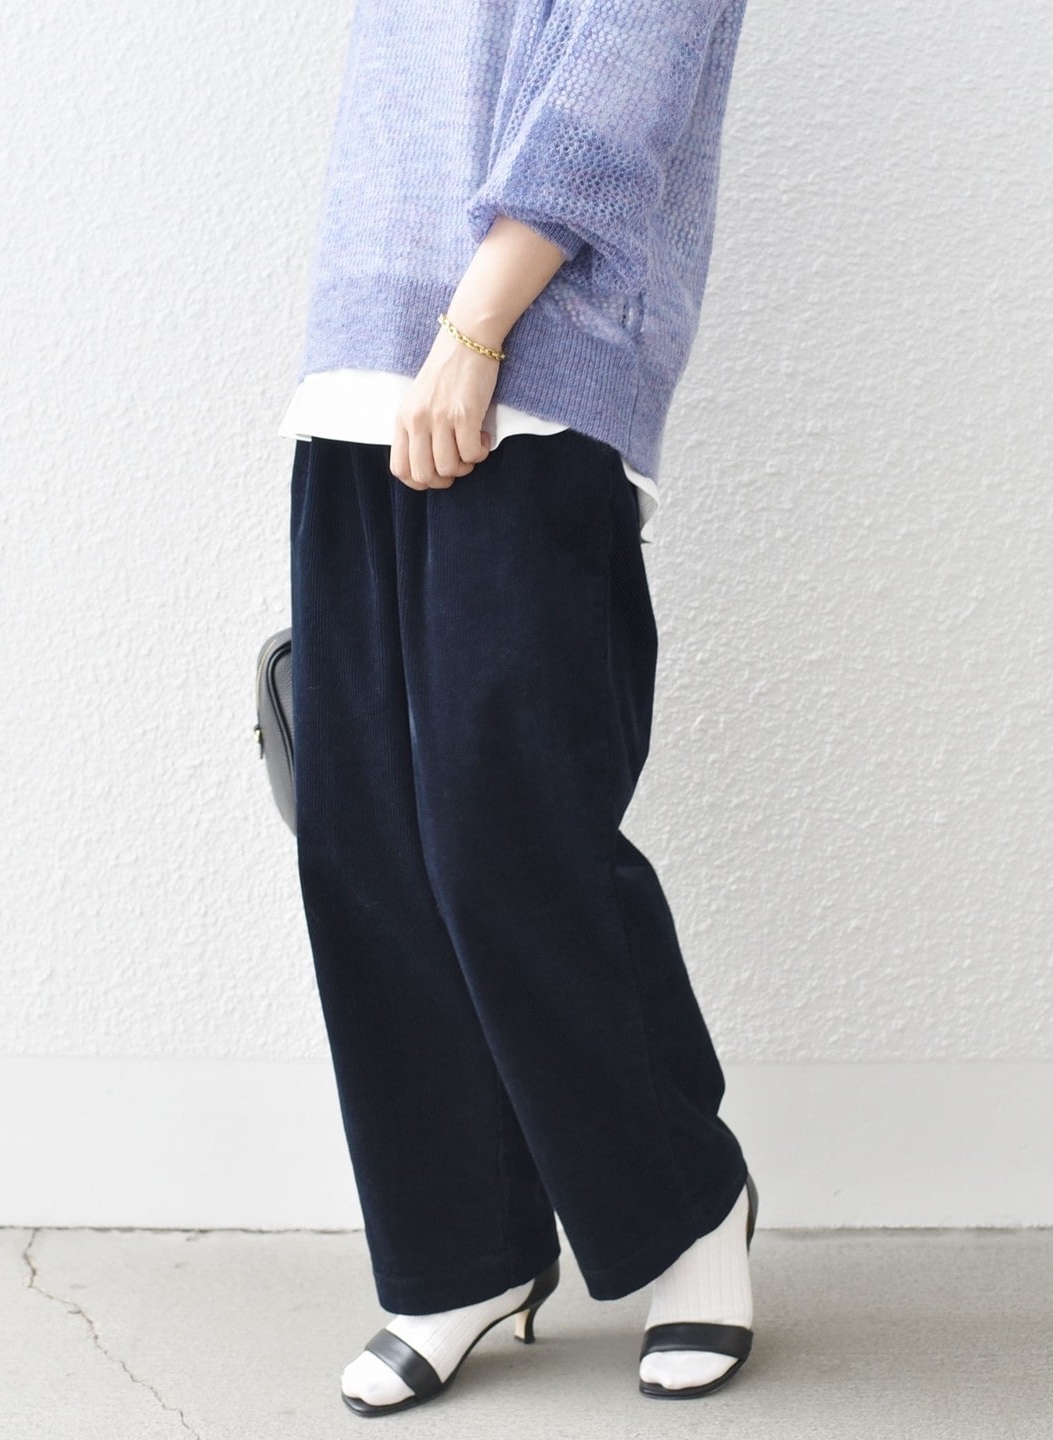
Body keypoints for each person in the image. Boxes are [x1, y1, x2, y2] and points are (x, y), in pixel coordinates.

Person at [277, 0, 756, 1416]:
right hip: (364, 362)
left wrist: (476, 328)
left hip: (527, 359)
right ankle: (461, 1255)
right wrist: (395, 342)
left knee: (512, 832)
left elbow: (623, 76)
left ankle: (686, 1213)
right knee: (367, 841)